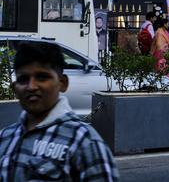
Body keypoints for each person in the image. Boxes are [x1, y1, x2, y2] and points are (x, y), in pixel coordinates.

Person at [0, 42, 119, 181]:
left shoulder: (84, 142)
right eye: (23, 79)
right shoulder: (5, 137)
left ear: (63, 83)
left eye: (42, 77)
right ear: (15, 88)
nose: (31, 86)